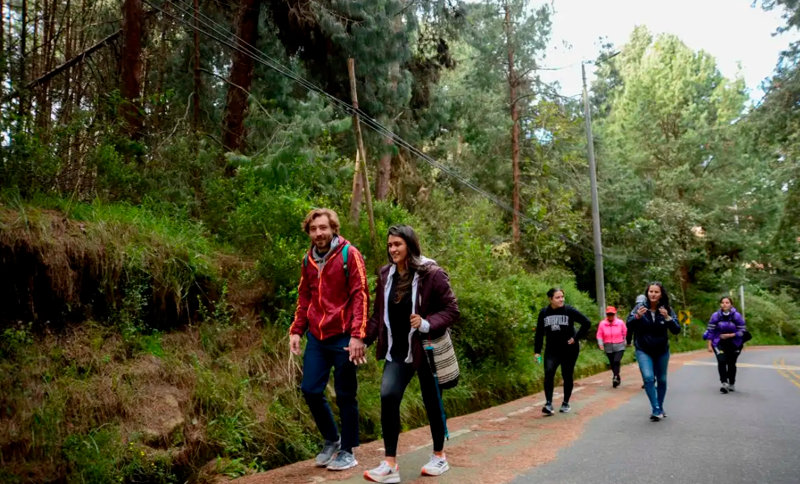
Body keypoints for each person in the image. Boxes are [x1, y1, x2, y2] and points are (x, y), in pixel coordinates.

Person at [362, 225, 460, 483]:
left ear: (410, 246)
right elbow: (377, 317)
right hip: (398, 350)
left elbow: (452, 309)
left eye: (398, 244)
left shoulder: (432, 274)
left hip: (424, 349)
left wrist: (427, 323)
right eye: (390, 245)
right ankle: (390, 464)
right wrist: (363, 340)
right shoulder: (385, 275)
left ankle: (439, 456)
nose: (392, 249)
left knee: (431, 401)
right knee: (388, 396)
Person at [289, 208, 369, 471]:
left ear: (333, 228)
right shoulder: (308, 261)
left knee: (346, 395)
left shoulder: (349, 254)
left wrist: (358, 335)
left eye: (323, 227)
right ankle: (332, 439)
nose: (318, 233)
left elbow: (360, 294)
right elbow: (304, 297)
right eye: (313, 229)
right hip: (318, 337)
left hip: (345, 335)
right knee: (310, 389)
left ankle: (347, 450)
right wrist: (296, 330)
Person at [626, 282, 680, 421]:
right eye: (651, 291)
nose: (653, 294)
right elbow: (629, 325)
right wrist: (637, 317)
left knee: (661, 379)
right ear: (647, 293)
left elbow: (676, 330)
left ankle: (659, 407)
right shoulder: (640, 308)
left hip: (662, 350)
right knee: (649, 378)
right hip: (643, 349)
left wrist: (668, 318)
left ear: (661, 294)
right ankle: (656, 408)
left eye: (656, 292)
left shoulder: (667, 309)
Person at [534, 288, 592, 415]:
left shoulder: (569, 311)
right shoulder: (544, 313)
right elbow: (539, 333)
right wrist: (537, 352)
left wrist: (575, 338)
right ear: (550, 299)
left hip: (569, 349)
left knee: (567, 375)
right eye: (557, 297)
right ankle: (548, 404)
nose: (561, 299)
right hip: (552, 349)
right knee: (549, 372)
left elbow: (586, 322)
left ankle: (566, 402)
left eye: (562, 297)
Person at [703, 296, 747, 394]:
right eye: (723, 302)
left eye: (727, 302)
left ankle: (731, 383)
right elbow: (710, 330)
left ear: (731, 304)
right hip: (718, 342)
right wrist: (709, 345)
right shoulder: (715, 316)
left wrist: (731, 335)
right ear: (720, 304)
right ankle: (724, 383)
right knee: (722, 361)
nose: (725, 304)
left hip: (734, 343)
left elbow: (743, 331)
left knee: (731, 363)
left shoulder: (737, 316)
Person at [596, 307, 627, 388]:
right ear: (606, 315)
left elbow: (625, 332)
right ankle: (617, 376)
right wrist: (600, 343)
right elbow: (599, 334)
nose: (610, 316)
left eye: (612, 314)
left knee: (616, 361)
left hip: (619, 345)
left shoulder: (620, 323)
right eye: (609, 314)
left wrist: (626, 341)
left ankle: (615, 377)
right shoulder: (602, 324)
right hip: (608, 346)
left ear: (615, 314)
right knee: (612, 363)